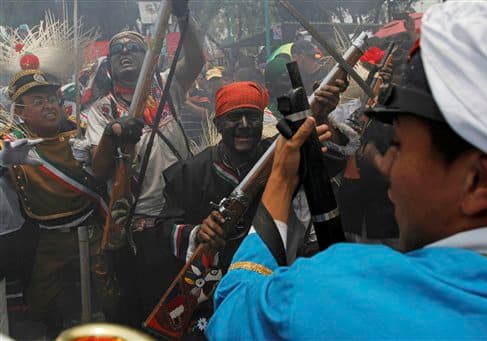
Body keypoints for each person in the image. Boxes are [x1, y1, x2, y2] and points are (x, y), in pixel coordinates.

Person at [207, 2, 487, 339]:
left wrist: (279, 178)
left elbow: (236, 309)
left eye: (401, 147)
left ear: (484, 181)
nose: (389, 169)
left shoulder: (335, 292)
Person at [159, 80, 343, 336]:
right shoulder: (191, 172)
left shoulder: (281, 154)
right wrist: (198, 232)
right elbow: (164, 226)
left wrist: (322, 115)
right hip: (209, 285)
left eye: (253, 117)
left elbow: (332, 162)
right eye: (235, 117)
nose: (244, 125)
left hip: (273, 273)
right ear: (217, 124)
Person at [85, 4, 205, 327]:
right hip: (140, 228)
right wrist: (114, 133)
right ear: (109, 64)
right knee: (145, 312)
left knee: (188, 303)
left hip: (183, 213)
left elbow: (196, 60)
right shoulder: (100, 110)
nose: (125, 53)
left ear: (148, 57)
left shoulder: (167, 85)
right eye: (117, 51)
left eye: (134, 48)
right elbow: (98, 168)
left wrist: (183, 16)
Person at [0, 69, 117, 337]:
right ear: (19, 111)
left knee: (110, 296)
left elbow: (111, 168)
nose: (49, 106)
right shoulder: (10, 142)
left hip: (92, 230)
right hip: (48, 239)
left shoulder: (83, 129)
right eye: (38, 101)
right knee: (40, 306)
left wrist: (95, 153)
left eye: (52, 99)